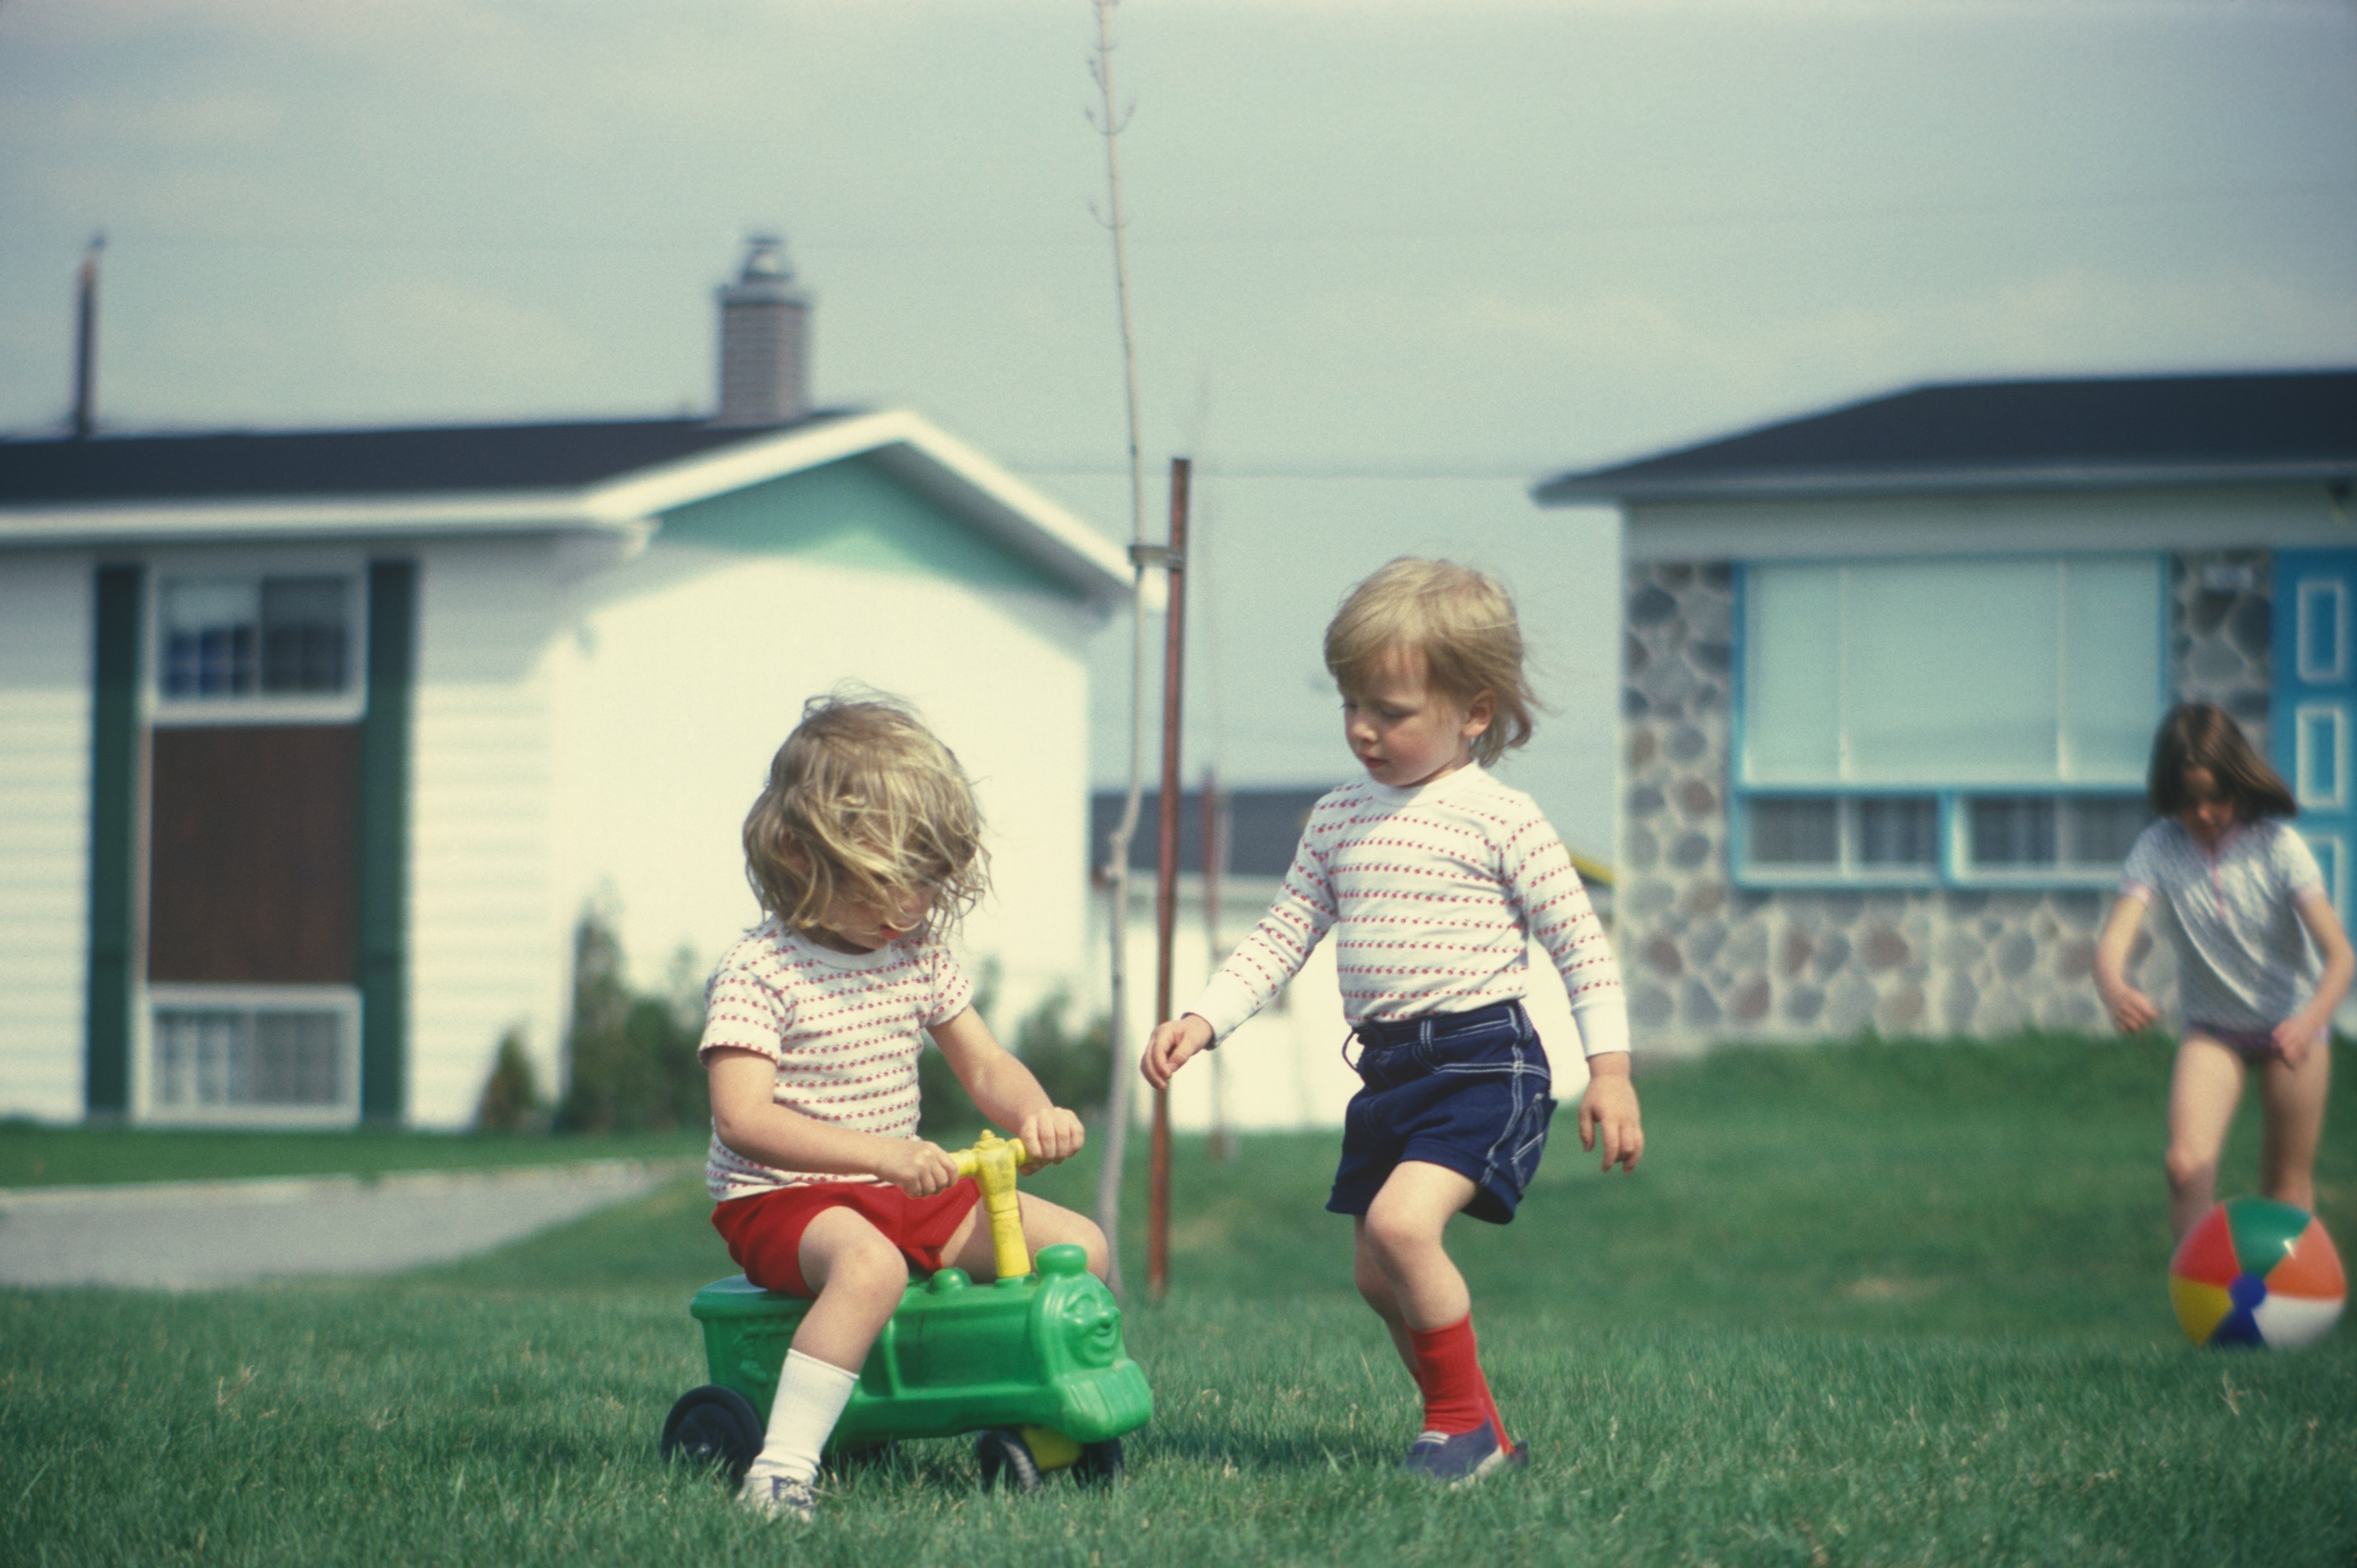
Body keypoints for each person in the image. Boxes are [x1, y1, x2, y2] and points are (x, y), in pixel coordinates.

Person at [1141, 557, 1640, 1487]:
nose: (1366, 730)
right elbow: (1283, 933)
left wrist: (1608, 1072)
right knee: (1377, 1274)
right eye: (1352, 706)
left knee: (1406, 1229)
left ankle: (1455, 1426)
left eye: (1394, 711)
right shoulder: (1336, 820)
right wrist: (1204, 1018)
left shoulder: (1501, 818)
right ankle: (1482, 1432)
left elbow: (1582, 945)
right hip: (1389, 1077)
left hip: (1484, 1064)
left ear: (1475, 711)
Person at [699, 692, 1106, 1522]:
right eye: (893, 879)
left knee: (1082, 1247)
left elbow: (986, 1062)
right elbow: (744, 1118)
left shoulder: (915, 955)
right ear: (799, 851)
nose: (917, 903)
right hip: (783, 1197)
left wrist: (1035, 1111)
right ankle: (780, 1470)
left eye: (929, 879)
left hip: (902, 1189)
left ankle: (1029, 1424)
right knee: (871, 1266)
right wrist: (878, 1153)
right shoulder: (761, 969)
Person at [2093, 702, 2352, 1241]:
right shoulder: (2158, 847)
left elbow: (2341, 956)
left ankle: (2287, 1312)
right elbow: (2115, 939)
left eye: (2219, 797)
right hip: (2214, 1031)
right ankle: (2200, 1304)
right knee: (2184, 1165)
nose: (2206, 813)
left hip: (2292, 1029)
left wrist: (2310, 1022)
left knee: (2285, 1188)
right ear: (2170, 796)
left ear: (2240, 783)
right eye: (2190, 802)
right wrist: (2115, 986)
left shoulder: (2279, 847)